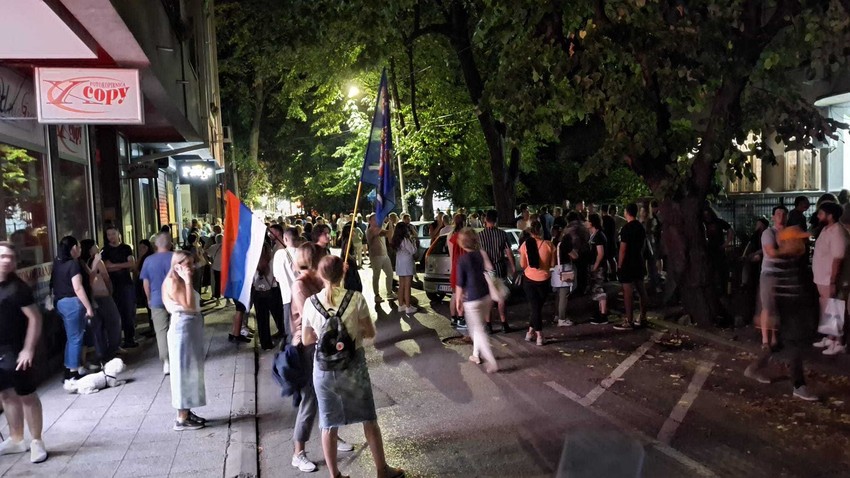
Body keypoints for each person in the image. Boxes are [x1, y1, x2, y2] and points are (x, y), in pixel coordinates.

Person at [301, 255, 404, 478]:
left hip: (324, 371)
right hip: (353, 367)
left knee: (328, 424)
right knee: (369, 419)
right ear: (343, 274)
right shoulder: (355, 298)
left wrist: (326, 338)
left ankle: (335, 475)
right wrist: (350, 331)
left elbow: (306, 339)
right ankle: (382, 470)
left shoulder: (310, 303)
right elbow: (370, 333)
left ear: (320, 275)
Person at [289, 243, 354, 473]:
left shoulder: (316, 280)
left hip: (324, 346)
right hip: (308, 348)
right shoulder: (300, 286)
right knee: (310, 400)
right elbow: (317, 315)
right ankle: (298, 452)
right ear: (314, 260)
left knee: (331, 395)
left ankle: (332, 436)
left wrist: (337, 279)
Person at [743, 222, 819, 401]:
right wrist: (769, 316)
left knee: (780, 347)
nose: (804, 244)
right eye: (799, 240)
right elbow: (776, 292)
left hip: (795, 315)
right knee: (795, 350)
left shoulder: (794, 261)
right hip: (791, 316)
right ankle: (799, 386)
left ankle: (754, 368)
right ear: (789, 242)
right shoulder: (784, 263)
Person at [0, 242, 48, 463]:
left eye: (10, 257)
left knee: (26, 395)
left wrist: (28, 349)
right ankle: (16, 438)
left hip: (18, 349)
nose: (6, 260)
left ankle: (36, 441)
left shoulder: (18, 288)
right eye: (2, 256)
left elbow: (35, 318)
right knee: (6, 394)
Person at [162, 251, 208, 430]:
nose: (192, 268)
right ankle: (182, 417)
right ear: (177, 265)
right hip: (183, 327)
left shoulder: (176, 280)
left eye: (191, 263)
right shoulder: (174, 281)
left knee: (190, 370)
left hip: (190, 327)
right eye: (187, 264)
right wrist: (188, 280)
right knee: (183, 371)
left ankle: (187, 411)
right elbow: (188, 305)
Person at [52, 236, 95, 381]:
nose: (80, 249)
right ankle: (73, 373)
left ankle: (68, 369)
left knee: (71, 338)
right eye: (78, 246)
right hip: (73, 304)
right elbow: (78, 287)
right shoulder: (73, 264)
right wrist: (88, 307)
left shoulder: (57, 263)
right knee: (76, 338)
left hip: (60, 303)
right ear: (73, 249)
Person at [455, 228, 498, 373]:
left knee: (477, 331)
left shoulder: (462, 260)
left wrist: (458, 302)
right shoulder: (482, 253)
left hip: (472, 299)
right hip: (486, 296)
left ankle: (491, 361)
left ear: (462, 243)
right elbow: (491, 270)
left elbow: (460, 283)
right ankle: (476, 355)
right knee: (478, 327)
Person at [811, 202, 848, 355]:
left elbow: (837, 258)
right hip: (821, 276)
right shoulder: (826, 230)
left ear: (830, 215)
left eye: (821, 213)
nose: (818, 216)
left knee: (835, 307)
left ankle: (838, 341)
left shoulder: (837, 232)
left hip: (829, 277)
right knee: (827, 306)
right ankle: (829, 336)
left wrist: (832, 280)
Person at [80, 239, 122, 365]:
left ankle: (100, 353)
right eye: (95, 245)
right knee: (114, 321)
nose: (97, 247)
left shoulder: (81, 262)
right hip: (102, 295)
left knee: (97, 326)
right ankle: (112, 350)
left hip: (90, 297)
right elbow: (105, 278)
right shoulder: (97, 262)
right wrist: (110, 291)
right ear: (90, 249)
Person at [141, 233, 175, 375]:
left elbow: (146, 283)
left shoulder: (148, 260)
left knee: (161, 332)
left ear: (156, 244)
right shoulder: (176, 257)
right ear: (170, 243)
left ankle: (166, 361)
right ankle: (178, 357)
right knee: (177, 329)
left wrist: (148, 299)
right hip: (175, 299)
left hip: (157, 300)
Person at [478, 210, 516, 333]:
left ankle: (488, 324)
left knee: (489, 297)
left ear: (485, 220)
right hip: (500, 268)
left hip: (486, 271)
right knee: (501, 297)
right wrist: (513, 266)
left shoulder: (480, 236)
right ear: (496, 220)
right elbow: (508, 251)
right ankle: (504, 323)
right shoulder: (502, 234)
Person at [519, 221, 555, 345]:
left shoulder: (524, 245)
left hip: (529, 280)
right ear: (541, 231)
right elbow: (552, 264)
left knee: (535, 308)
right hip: (544, 280)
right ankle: (539, 335)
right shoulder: (549, 245)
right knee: (537, 308)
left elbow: (522, 265)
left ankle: (530, 332)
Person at [614, 204, 649, 331]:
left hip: (628, 262)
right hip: (638, 260)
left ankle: (629, 320)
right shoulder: (640, 227)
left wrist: (619, 264)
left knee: (627, 292)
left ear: (626, 212)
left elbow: (623, 249)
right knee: (641, 290)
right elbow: (644, 245)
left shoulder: (626, 228)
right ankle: (643, 317)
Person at [102, 227, 138, 348]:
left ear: (118, 234)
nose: (111, 237)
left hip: (126, 284)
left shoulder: (126, 248)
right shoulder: (105, 250)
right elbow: (105, 267)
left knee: (128, 311)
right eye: (108, 235)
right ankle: (116, 342)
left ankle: (130, 339)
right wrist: (123, 266)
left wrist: (114, 265)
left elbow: (131, 263)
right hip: (112, 285)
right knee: (115, 313)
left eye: (113, 234)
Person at [253, 244, 284, 351]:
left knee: (262, 320)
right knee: (278, 315)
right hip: (272, 291)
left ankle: (265, 344)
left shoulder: (253, 262)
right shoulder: (272, 261)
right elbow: (277, 276)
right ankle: (283, 335)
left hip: (257, 292)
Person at [273, 227, 300, 341]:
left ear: (285, 239)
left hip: (288, 297)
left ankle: (291, 352)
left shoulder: (280, 254)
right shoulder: (304, 253)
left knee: (290, 330)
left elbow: (277, 277)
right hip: (304, 297)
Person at [366, 214, 395, 303]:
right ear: (370, 221)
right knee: (376, 276)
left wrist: (390, 222)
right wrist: (388, 223)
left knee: (390, 274)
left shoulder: (379, 228)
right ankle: (377, 295)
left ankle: (389, 293)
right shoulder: (371, 230)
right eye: (374, 219)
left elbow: (390, 234)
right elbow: (386, 233)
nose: (376, 221)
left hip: (384, 255)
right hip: (376, 256)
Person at [587, 214, 610, 324]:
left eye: (588, 220)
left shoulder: (599, 236)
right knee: (596, 289)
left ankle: (603, 314)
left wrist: (595, 266)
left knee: (599, 288)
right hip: (595, 265)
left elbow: (600, 254)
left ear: (592, 223)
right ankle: (600, 311)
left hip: (599, 266)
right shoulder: (594, 235)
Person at [447, 214, 468, 328]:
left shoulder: (450, 235)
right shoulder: (465, 235)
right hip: (463, 267)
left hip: (454, 267)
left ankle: (453, 318)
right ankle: (461, 318)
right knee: (463, 295)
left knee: (454, 295)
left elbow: (451, 255)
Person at [391, 223, 417, 314]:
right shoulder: (406, 240)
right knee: (407, 286)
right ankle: (408, 307)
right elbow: (413, 250)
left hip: (399, 263)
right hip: (407, 263)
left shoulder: (396, 240)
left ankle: (401, 305)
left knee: (401, 285)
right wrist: (413, 241)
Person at [552, 224, 575, 327]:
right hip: (565, 270)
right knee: (563, 295)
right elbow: (575, 256)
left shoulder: (554, 241)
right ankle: (562, 318)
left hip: (555, 270)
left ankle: (557, 315)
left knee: (557, 295)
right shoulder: (565, 243)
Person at [206, 234, 225, 306]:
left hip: (216, 267)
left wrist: (208, 262)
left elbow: (205, 253)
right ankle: (227, 299)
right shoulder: (227, 246)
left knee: (217, 283)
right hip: (225, 268)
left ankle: (217, 299)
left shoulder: (213, 247)